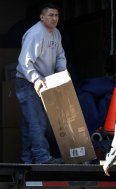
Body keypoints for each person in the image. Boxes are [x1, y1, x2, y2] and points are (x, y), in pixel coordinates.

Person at [15, 3, 66, 164]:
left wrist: (62, 72)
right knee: (38, 122)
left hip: (46, 83)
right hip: (28, 82)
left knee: (29, 123)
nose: (54, 18)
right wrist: (36, 79)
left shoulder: (56, 33)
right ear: (42, 17)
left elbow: (60, 55)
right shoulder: (35, 34)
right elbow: (24, 62)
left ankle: (27, 160)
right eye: (50, 15)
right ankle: (42, 158)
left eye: (56, 15)